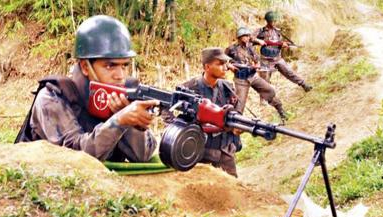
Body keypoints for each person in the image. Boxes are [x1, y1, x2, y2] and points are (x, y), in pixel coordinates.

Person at [15, 15, 159, 163]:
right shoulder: (52, 97)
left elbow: (143, 155)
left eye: (124, 66)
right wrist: (118, 122)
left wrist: (131, 123)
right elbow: (75, 157)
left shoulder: (121, 94)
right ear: (85, 67)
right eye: (110, 66)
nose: (120, 76)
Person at [172, 47, 242, 177]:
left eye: (225, 64)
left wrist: (236, 126)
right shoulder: (190, 88)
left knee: (233, 190)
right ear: (207, 67)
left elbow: (235, 110)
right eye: (220, 64)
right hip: (200, 151)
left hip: (223, 150)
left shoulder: (228, 87)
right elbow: (168, 107)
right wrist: (179, 129)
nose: (225, 68)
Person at [225, 27, 287, 122]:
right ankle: (235, 124)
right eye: (245, 36)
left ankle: (281, 111)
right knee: (239, 104)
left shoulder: (250, 47)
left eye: (248, 36)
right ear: (239, 37)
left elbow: (256, 60)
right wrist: (230, 66)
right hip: (241, 80)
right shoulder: (231, 49)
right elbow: (223, 60)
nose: (247, 38)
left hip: (253, 76)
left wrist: (256, 65)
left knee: (269, 91)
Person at [253, 11, 313, 92]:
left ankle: (304, 85)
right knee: (265, 81)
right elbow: (249, 37)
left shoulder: (277, 31)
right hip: (265, 60)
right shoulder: (261, 31)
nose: (274, 23)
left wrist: (283, 45)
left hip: (277, 58)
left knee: (289, 72)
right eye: (272, 21)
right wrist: (258, 41)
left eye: (275, 21)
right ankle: (263, 101)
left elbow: (279, 43)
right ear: (268, 21)